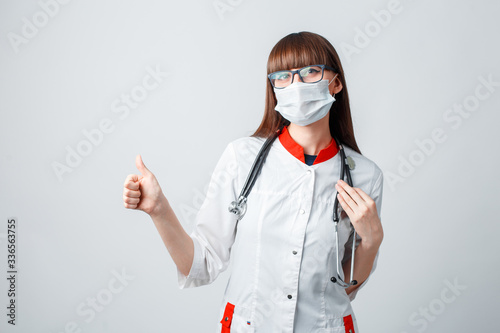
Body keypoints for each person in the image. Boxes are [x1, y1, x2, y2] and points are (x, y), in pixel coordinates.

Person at [122, 31, 384, 333]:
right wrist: (159, 210)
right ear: (273, 89)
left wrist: (372, 240)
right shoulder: (241, 158)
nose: (296, 85)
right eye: (282, 77)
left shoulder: (365, 174)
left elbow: (346, 287)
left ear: (335, 83)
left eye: (310, 72)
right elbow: (200, 266)